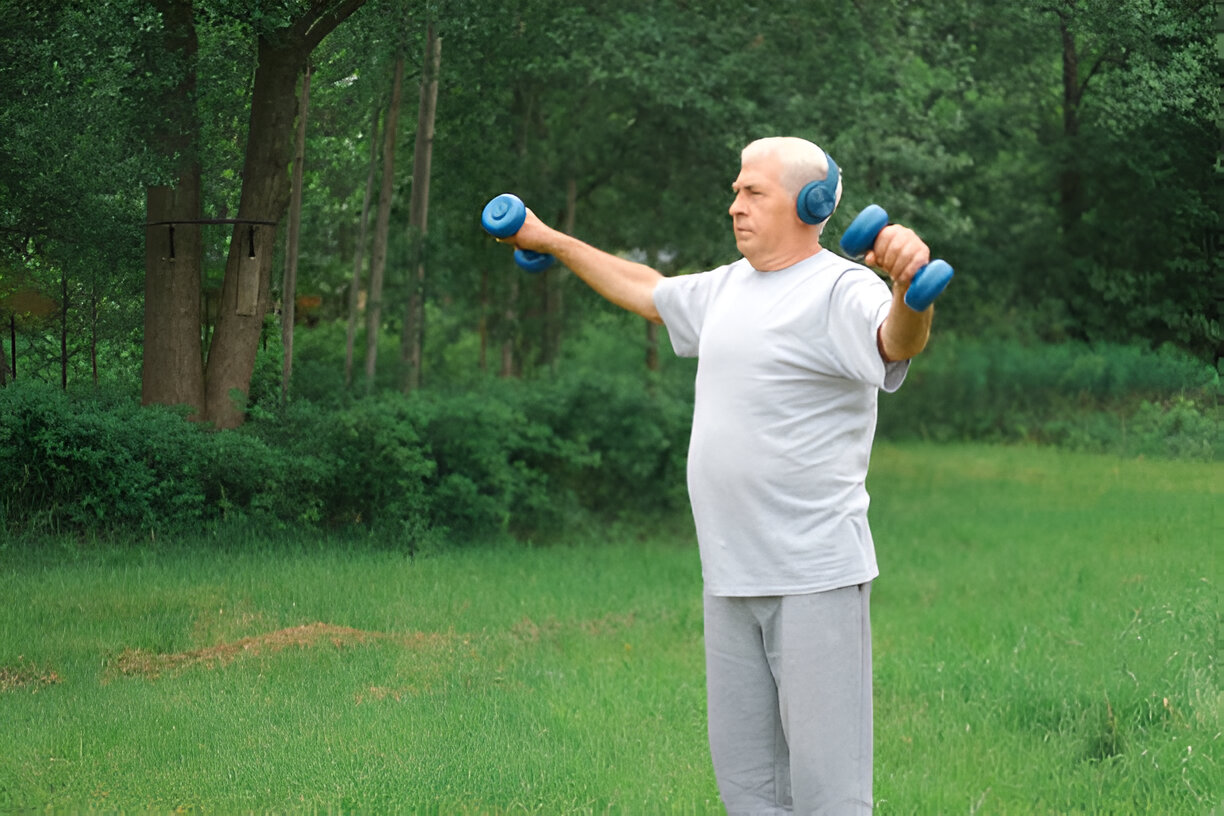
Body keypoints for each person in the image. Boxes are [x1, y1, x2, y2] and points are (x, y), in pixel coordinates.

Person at [497, 136, 935, 814]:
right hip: (729, 579)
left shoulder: (840, 289)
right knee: (749, 792)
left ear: (810, 203)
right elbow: (647, 290)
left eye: (752, 192)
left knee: (830, 797)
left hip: (813, 576)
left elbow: (896, 340)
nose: (734, 205)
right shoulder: (730, 288)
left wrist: (910, 292)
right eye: (736, 190)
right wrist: (549, 238)